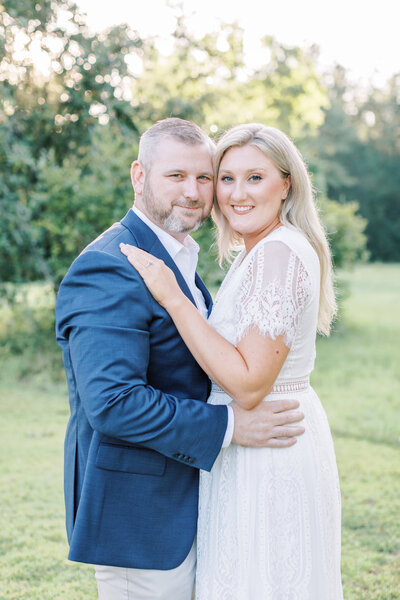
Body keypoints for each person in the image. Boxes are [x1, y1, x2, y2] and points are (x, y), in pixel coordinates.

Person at [55, 118, 305, 600]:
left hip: (187, 497)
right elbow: (113, 403)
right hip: (139, 516)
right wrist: (229, 425)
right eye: (176, 176)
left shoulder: (179, 257)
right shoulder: (110, 265)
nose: (193, 192)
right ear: (139, 175)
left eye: (205, 177)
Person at [120, 123, 344, 599]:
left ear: (286, 183)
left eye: (255, 178)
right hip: (253, 442)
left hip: (271, 444)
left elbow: (248, 384)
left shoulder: (278, 253)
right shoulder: (255, 252)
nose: (236, 194)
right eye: (225, 178)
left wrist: (173, 297)